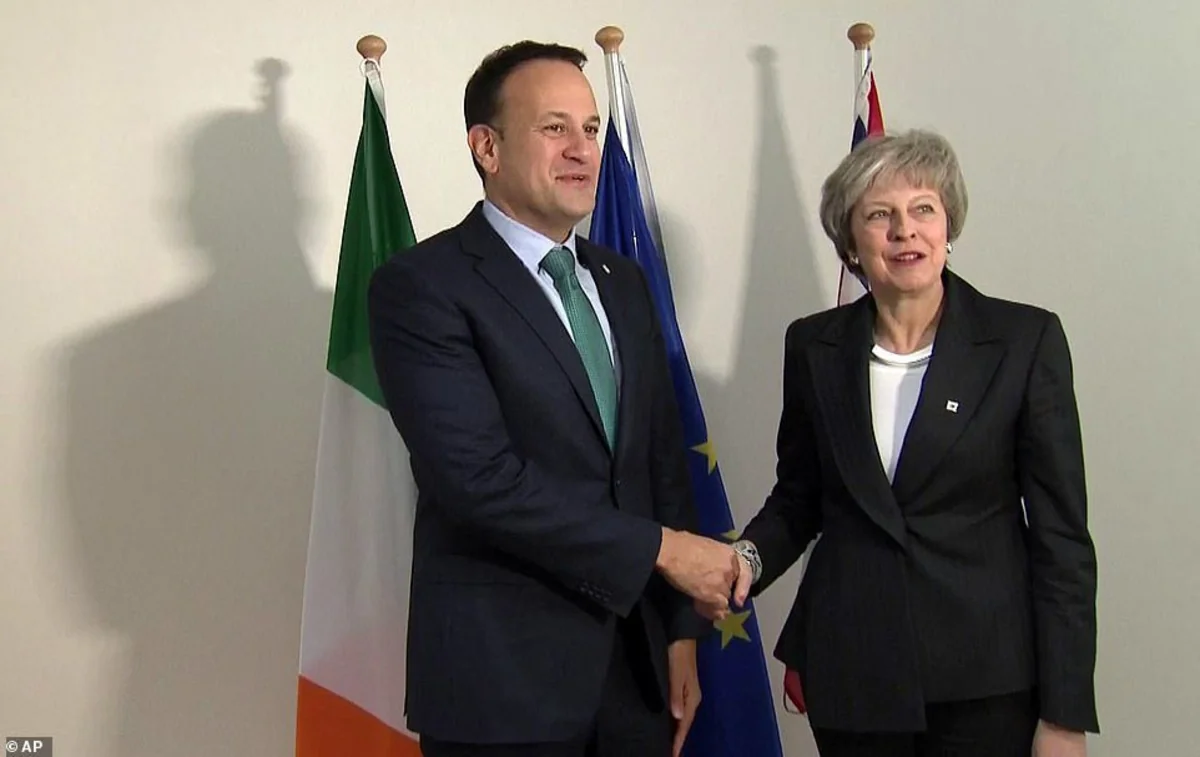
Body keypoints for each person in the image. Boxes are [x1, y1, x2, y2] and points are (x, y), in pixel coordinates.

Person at [367, 41, 738, 757]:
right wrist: (663, 552)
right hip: (502, 686)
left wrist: (681, 633)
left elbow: (660, 463)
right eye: (554, 128)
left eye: (591, 128)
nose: (582, 150)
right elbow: (478, 481)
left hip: (638, 677)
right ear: (487, 147)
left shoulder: (624, 282)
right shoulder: (422, 287)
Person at [709, 129, 1099, 756]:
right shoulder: (813, 346)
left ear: (949, 226)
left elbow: (1063, 541)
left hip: (988, 682)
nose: (905, 231)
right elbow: (800, 498)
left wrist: (1064, 714)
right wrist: (744, 563)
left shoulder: (1024, 342)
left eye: (923, 209)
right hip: (851, 672)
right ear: (851, 242)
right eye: (879, 215)